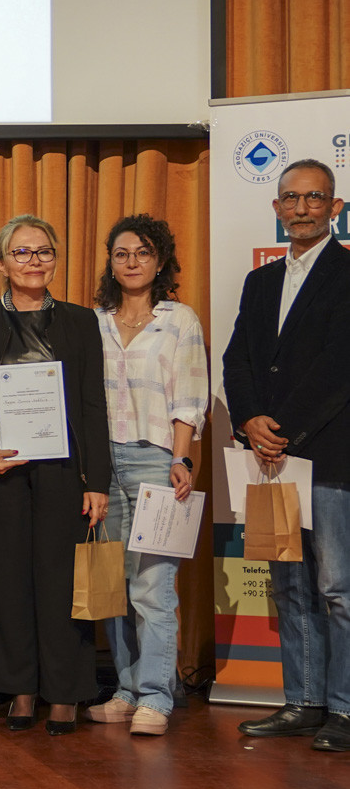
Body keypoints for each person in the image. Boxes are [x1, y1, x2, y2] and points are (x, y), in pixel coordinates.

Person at [0, 214, 109, 735]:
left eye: (43, 251)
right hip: (1, 469)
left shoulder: (79, 320)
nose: (33, 261)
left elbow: (92, 405)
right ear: (1, 263)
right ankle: (19, 689)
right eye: (20, 253)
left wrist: (98, 483)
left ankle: (64, 693)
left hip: (65, 471)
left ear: (55, 260)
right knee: (5, 579)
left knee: (61, 580)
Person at [224, 159, 350, 752]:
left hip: (327, 458)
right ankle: (303, 702)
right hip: (267, 461)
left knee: (338, 589)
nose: (301, 208)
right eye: (291, 199)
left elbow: (338, 367)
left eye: (314, 198)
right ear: (276, 209)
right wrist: (250, 421)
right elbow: (237, 361)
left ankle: (345, 711)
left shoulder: (348, 274)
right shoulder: (261, 282)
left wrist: (284, 430)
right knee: (289, 585)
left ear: (335, 208)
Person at [85, 215, 207, 738]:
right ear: (110, 263)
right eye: (122, 253)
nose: (132, 262)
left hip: (157, 458)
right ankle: (127, 690)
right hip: (101, 463)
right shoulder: (93, 321)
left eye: (143, 252)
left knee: (154, 585)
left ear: (160, 261)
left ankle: (157, 695)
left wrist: (181, 458)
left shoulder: (180, 320)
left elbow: (189, 395)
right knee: (113, 581)